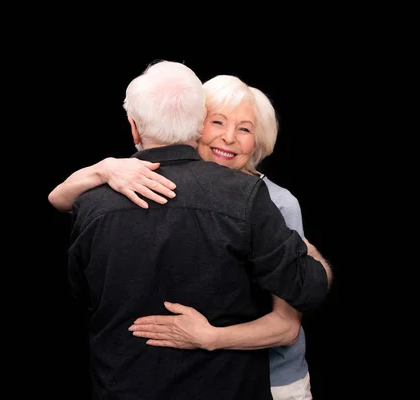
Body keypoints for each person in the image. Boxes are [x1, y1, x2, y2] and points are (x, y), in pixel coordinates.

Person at [52, 60, 332, 399]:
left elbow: (288, 323)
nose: (228, 137)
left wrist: (209, 336)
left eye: (244, 128)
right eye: (217, 122)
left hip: (248, 379)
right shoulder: (121, 183)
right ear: (196, 124)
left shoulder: (269, 200)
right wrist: (104, 169)